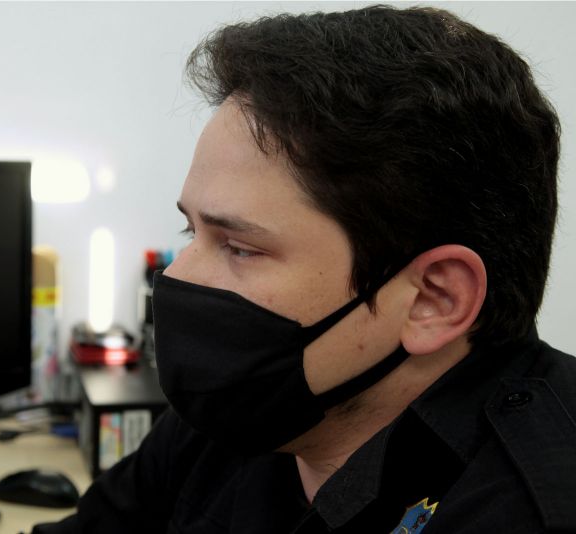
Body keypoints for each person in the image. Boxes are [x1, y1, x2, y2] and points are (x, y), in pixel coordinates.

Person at [35, 5, 575, 533]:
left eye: (240, 247)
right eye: (190, 232)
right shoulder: (240, 416)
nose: (176, 280)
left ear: (434, 299)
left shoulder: (534, 504)